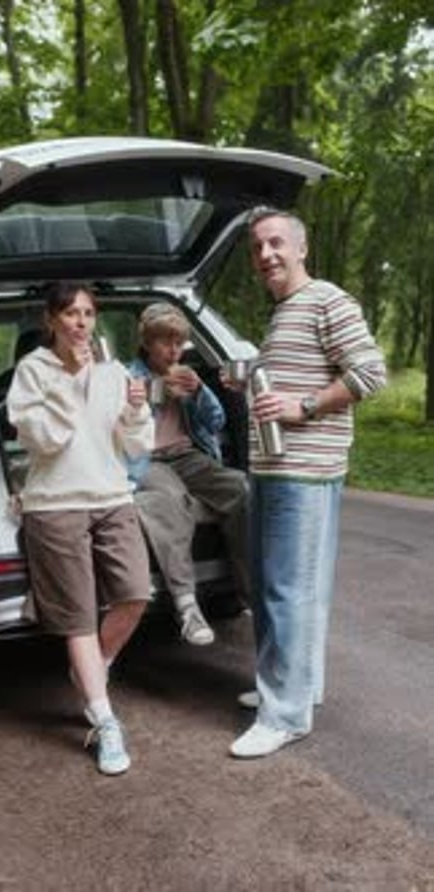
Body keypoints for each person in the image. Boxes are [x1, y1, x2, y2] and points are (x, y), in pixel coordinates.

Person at [228, 209, 386, 758]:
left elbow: (370, 372)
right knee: (289, 590)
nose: (266, 254)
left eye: (276, 243)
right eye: (257, 248)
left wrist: (304, 406)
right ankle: (298, 688)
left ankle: (285, 715)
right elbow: (291, 379)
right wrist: (244, 382)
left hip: (304, 473)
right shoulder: (284, 312)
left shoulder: (328, 300)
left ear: (300, 248)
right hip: (276, 470)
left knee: (284, 592)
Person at [7, 281, 154, 776]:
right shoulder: (32, 372)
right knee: (78, 618)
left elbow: (136, 445)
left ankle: (91, 670)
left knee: (136, 594)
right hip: (55, 504)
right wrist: (69, 381)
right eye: (70, 313)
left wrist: (135, 408)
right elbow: (46, 442)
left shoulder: (114, 371)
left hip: (112, 496)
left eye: (88, 314)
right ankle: (104, 719)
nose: (81, 323)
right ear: (51, 320)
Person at [127, 303, 250, 646]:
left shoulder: (186, 373)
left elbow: (216, 421)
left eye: (179, 343)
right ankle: (186, 605)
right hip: (146, 460)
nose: (173, 350)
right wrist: (155, 394)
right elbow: (118, 421)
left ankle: (249, 590)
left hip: (187, 455)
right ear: (148, 343)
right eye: (165, 342)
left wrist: (199, 392)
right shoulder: (127, 375)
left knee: (240, 487)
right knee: (169, 501)